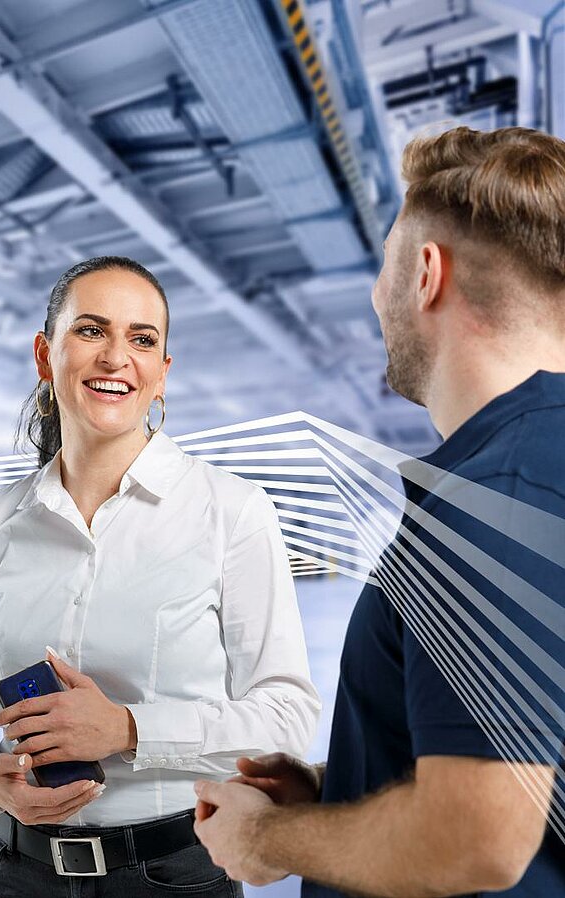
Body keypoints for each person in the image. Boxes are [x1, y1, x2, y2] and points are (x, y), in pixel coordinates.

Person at [193, 128, 565, 896]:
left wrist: (270, 836)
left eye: (386, 261)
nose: (375, 294)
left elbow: (480, 839)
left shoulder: (497, 492)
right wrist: (345, 785)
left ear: (427, 273)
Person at [0, 255, 321, 897]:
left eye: (143, 339)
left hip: (173, 875)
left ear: (162, 374)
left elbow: (286, 716)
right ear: (44, 355)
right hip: (14, 875)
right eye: (90, 331)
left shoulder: (231, 511)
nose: (116, 357)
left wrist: (129, 729)